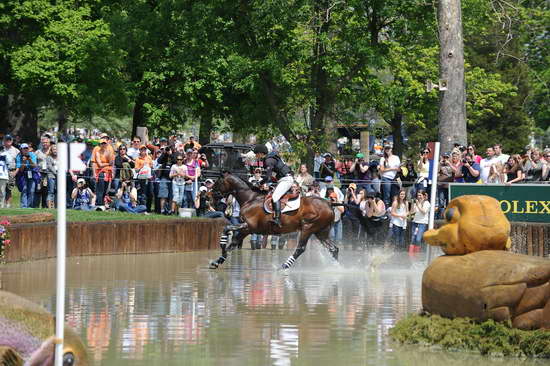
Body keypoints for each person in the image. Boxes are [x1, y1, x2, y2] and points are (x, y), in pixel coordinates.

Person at [253, 144, 294, 227]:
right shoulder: (269, 159)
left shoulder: (269, 160)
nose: (256, 156)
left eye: (256, 154)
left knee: (275, 197)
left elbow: (268, 178)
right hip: (282, 180)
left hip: (286, 180)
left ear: (261, 153)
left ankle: (277, 219)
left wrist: (259, 183)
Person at [15, 143, 38, 208]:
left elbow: (34, 166)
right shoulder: (18, 156)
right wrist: (23, 162)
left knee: (31, 190)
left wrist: (29, 159)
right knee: (24, 190)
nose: (26, 150)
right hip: (23, 174)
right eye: (24, 149)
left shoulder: (32, 155)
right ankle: (24, 206)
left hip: (32, 173)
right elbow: (21, 170)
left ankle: (29, 206)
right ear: (21, 149)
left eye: (26, 148)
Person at [134, 145, 154, 211]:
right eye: (142, 150)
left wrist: (149, 167)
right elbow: (136, 170)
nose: (143, 151)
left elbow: (151, 166)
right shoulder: (137, 159)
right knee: (143, 194)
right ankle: (143, 209)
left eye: (144, 150)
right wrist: (142, 166)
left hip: (149, 178)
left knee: (150, 193)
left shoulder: (149, 157)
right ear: (140, 151)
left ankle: (148, 209)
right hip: (142, 179)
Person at [2, 135, 19, 208]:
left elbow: (19, 163)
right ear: (4, 141)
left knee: (9, 189)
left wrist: (15, 172)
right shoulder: (1, 149)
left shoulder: (16, 150)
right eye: (6, 140)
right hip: (1, 172)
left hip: (11, 171)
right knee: (1, 188)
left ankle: (8, 205)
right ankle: (1, 204)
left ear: (12, 141)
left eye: (9, 140)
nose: (8, 141)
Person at [45, 144, 58, 208]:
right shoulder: (48, 157)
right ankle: (50, 207)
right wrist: (56, 173)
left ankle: (55, 206)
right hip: (51, 176)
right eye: (54, 149)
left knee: (57, 191)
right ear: (51, 150)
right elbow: (49, 167)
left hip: (59, 176)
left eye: (56, 149)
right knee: (51, 191)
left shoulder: (60, 157)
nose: (55, 151)